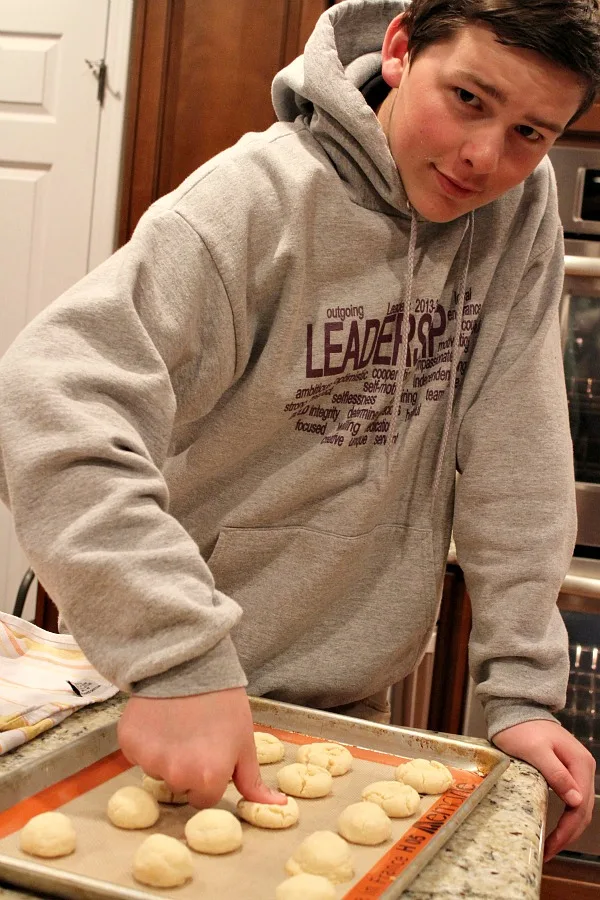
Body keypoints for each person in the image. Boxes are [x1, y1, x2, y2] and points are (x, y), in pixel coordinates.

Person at [0, 0, 597, 860]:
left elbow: (521, 445)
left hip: (349, 704)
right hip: (167, 694)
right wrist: (175, 656)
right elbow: (44, 393)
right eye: (468, 98)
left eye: (531, 133)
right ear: (399, 49)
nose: (484, 157)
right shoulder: (248, 204)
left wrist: (523, 696)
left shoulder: (516, 207)